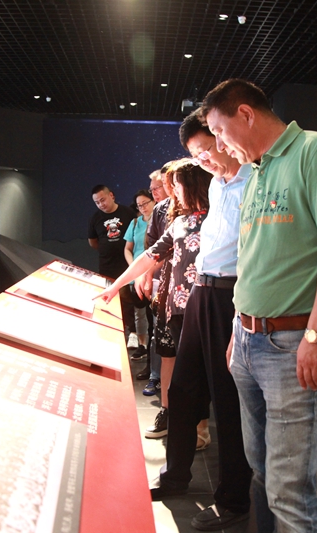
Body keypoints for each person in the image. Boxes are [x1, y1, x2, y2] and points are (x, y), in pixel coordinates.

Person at [202, 78, 317, 533]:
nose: (219, 145)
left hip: (293, 344)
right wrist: (239, 326)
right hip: (248, 341)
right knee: (262, 470)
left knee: (289, 489)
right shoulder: (256, 172)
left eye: (220, 131)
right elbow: (251, 258)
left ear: (246, 114)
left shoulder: (316, 151)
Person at [147, 111, 253, 531]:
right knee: (182, 389)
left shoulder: (253, 181)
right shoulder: (216, 184)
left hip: (231, 294)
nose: (205, 157)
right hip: (200, 293)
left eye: (208, 147)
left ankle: (233, 497)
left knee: (227, 399)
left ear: (225, 138)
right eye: (196, 154)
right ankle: (175, 476)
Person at [95, 161, 212, 436]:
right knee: (182, 366)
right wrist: (117, 285)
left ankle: (201, 428)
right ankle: (184, 424)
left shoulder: (218, 219)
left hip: (206, 306)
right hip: (176, 306)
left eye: (177, 185)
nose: (173, 191)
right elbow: (149, 255)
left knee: (203, 370)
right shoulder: (180, 222)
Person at [135, 169, 170, 392]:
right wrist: (146, 274)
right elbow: (153, 248)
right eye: (152, 189)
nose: (155, 192)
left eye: (158, 187)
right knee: (158, 331)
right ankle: (155, 376)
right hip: (158, 279)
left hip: (181, 283)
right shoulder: (159, 211)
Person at [87, 184, 136, 342]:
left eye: (102, 200)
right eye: (97, 202)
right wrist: (106, 249)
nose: (101, 204)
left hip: (126, 264)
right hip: (106, 266)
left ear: (111, 196)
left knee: (127, 300)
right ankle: (112, 333)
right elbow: (92, 242)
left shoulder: (127, 213)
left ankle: (132, 333)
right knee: (109, 299)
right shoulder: (95, 218)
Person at [123, 189, 155, 358]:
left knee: (154, 313)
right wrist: (134, 267)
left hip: (154, 273)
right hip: (137, 275)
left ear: (153, 201)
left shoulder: (161, 219)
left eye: (145, 203)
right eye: (139, 205)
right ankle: (143, 346)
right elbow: (127, 249)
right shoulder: (135, 223)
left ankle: (155, 347)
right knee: (139, 312)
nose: (143, 207)